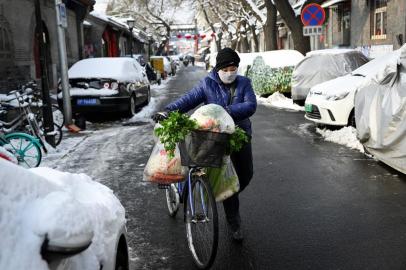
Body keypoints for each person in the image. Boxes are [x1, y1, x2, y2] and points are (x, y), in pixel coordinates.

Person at [153, 48, 257, 242]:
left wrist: (224, 111)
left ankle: (225, 194)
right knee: (228, 180)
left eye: (233, 67)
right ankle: (234, 220)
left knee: (246, 175)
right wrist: (168, 111)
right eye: (226, 68)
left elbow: (250, 105)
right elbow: (189, 99)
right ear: (218, 69)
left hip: (239, 135)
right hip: (216, 137)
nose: (230, 71)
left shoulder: (244, 83)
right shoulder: (207, 84)